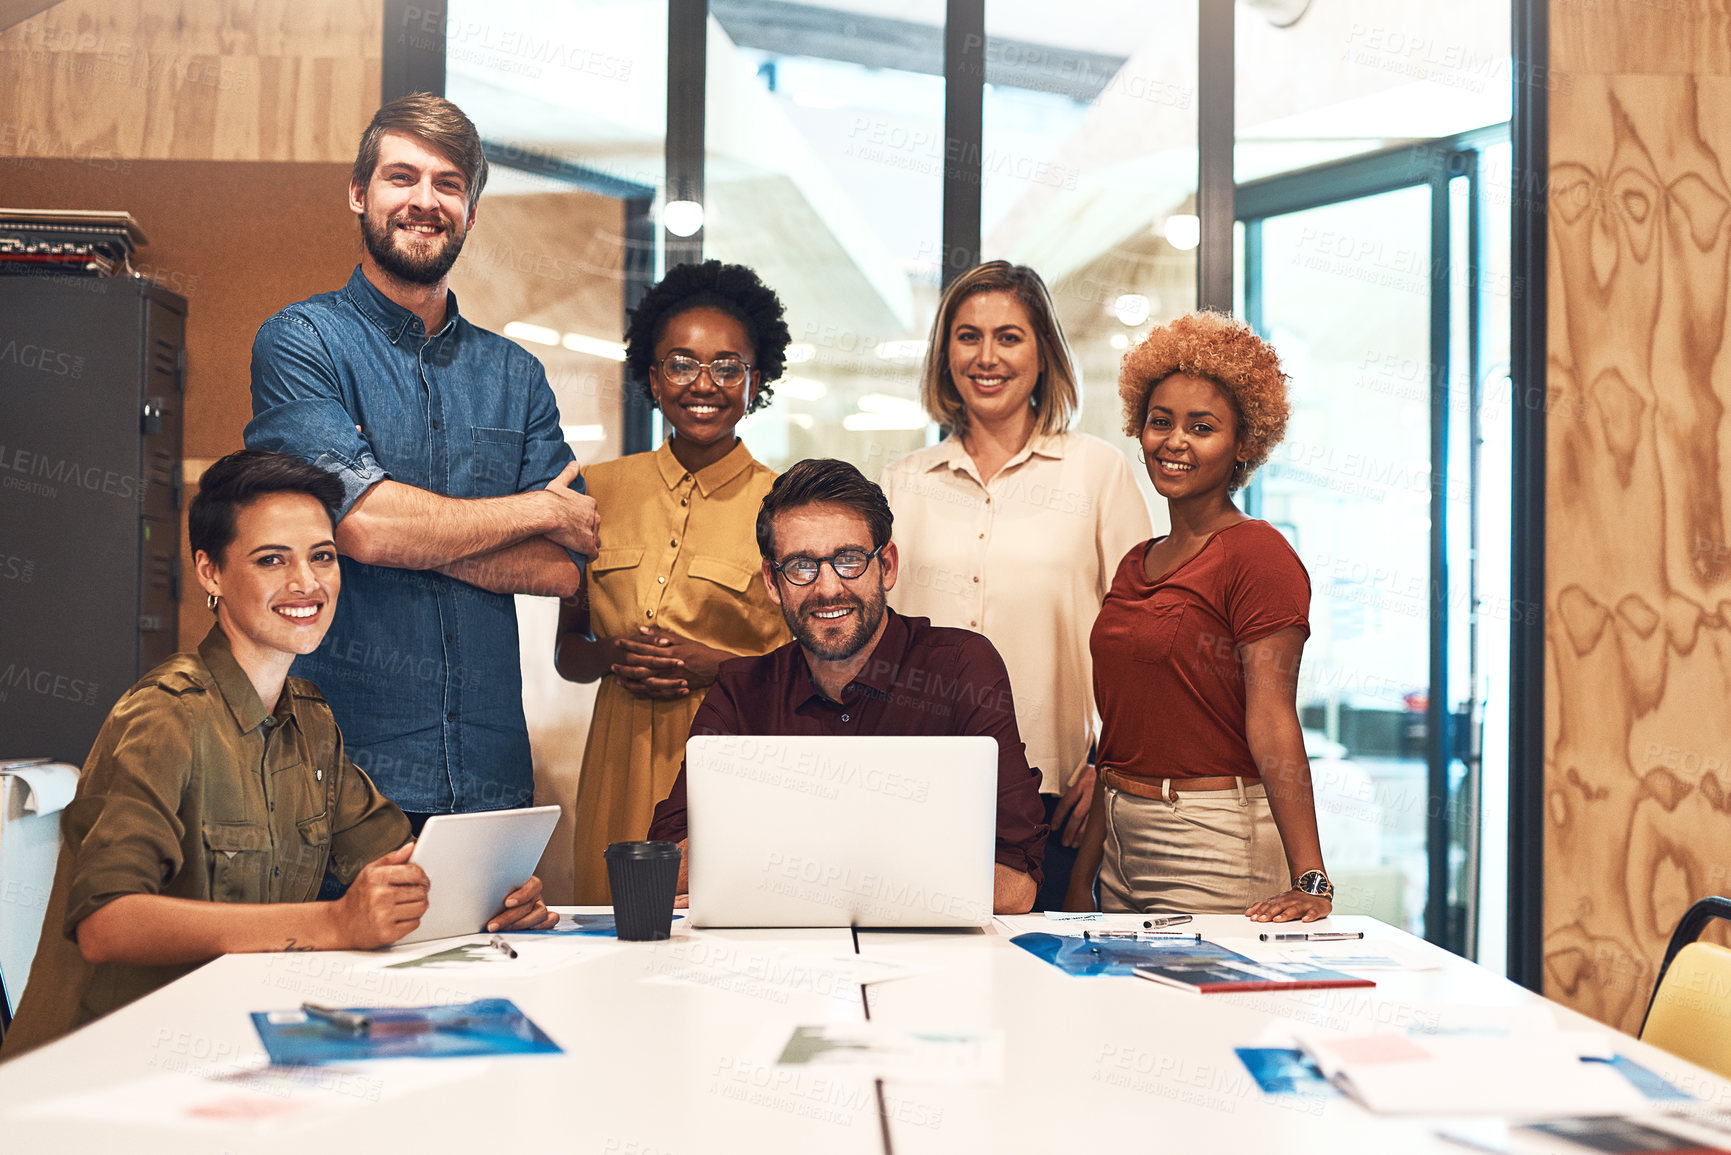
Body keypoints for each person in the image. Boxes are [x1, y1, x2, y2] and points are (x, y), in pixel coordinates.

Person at [1, 451, 555, 1060]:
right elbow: (107, 924)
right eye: (272, 560)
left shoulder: (309, 718)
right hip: (102, 1066)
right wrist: (333, 925)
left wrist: (496, 896)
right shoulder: (164, 716)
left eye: (322, 556)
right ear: (209, 572)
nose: (308, 584)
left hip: (234, 1043)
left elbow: (405, 865)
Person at [246, 94, 599, 830]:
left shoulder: (516, 376)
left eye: (448, 183)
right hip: (340, 779)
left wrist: (413, 532)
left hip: (491, 774)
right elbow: (367, 530)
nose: (424, 201)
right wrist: (533, 510)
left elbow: (564, 566)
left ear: (470, 212)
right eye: (401, 177)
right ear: (358, 193)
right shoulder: (300, 343)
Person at [647, 459, 1047, 914]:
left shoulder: (961, 668)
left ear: (887, 566)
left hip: (933, 968)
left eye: (849, 560)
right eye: (801, 566)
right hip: (783, 962)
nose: (828, 588)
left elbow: (1015, 886)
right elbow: (664, 866)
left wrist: (782, 860)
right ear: (773, 582)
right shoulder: (742, 691)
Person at [880, 261, 1150, 910]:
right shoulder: (899, 482)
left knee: (1045, 993)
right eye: (967, 336)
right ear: (945, 354)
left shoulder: (1096, 473)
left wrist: (1110, 762)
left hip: (1055, 797)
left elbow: (1144, 637)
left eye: (1008, 336)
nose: (986, 356)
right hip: (917, 783)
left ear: (1042, 353)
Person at [1064, 312, 1333, 922]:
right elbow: (1121, 730)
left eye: (1201, 427)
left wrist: (1310, 878)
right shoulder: (1137, 561)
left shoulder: (1258, 555)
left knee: (1203, 1017)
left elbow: (1273, 721)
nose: (1174, 441)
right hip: (1117, 838)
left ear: (1244, 444)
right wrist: (1083, 877)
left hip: (1215, 843)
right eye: (1160, 422)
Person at [554, 261, 792, 904]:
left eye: (728, 366)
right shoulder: (594, 491)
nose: (704, 384)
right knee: (613, 932)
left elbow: (822, 666)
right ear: (653, 380)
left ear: (756, 381)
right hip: (619, 754)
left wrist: (718, 665)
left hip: (737, 755)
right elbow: (569, 653)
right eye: (682, 364)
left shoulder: (786, 505)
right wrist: (613, 655)